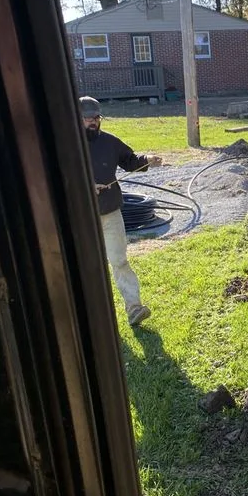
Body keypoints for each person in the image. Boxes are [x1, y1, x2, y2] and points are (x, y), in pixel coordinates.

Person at [79, 96, 162, 326]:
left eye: (96, 117)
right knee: (87, 268)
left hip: (110, 213)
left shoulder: (109, 142)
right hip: (80, 219)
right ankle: (91, 319)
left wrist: (147, 160)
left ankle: (134, 308)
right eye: (88, 118)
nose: (93, 122)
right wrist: (86, 185)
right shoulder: (65, 147)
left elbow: (129, 160)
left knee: (119, 261)